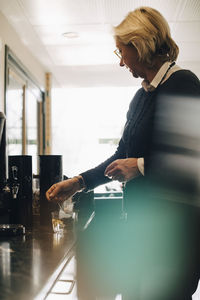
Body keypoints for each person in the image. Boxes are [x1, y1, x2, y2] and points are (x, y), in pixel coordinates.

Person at [46, 6, 200, 299]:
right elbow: (121, 155)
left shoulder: (185, 84)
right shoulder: (141, 96)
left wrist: (141, 166)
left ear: (140, 45)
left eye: (121, 51)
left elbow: (191, 161)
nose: (120, 62)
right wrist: (77, 182)